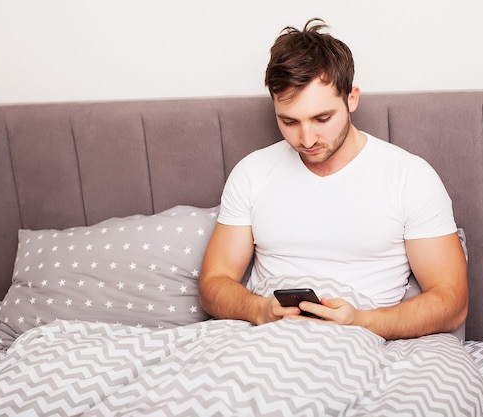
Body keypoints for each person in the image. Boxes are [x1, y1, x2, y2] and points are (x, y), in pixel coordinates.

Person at [198, 18, 468, 340]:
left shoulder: (409, 177)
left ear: (351, 98)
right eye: (289, 121)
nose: (306, 138)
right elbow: (214, 282)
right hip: (266, 337)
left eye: (322, 118)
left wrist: (360, 320)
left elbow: (452, 302)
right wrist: (260, 310)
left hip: (362, 337)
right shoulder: (252, 173)